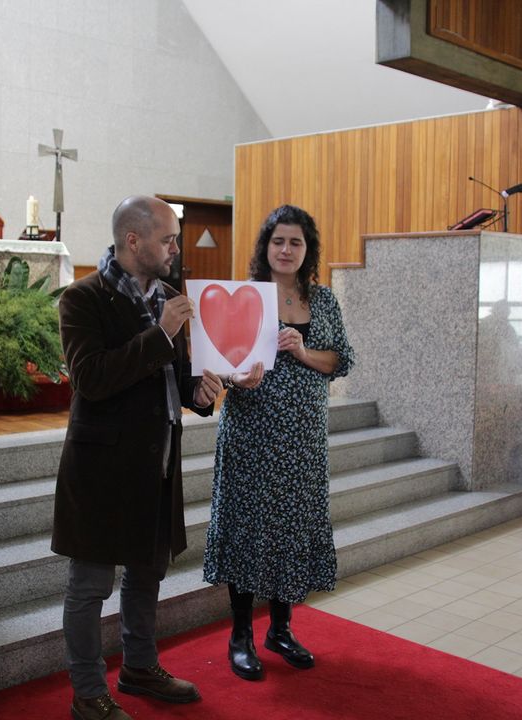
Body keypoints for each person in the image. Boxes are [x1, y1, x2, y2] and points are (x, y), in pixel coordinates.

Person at [51, 196, 223, 720]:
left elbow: (178, 378)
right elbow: (92, 379)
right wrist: (161, 332)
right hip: (102, 468)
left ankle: (140, 667)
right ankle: (87, 692)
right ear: (133, 240)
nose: (175, 249)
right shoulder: (82, 299)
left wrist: (202, 393)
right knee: (91, 586)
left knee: (148, 573)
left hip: (157, 462)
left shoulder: (168, 297)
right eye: (168, 239)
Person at [204, 204, 354, 681]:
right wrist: (235, 377)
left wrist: (303, 351)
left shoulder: (323, 300)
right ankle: (241, 636)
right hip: (251, 432)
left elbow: (341, 360)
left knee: (292, 526)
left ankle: (281, 629)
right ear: (265, 247)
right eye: (278, 241)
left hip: (302, 439)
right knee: (248, 526)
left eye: (296, 242)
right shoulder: (245, 296)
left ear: (308, 249)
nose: (286, 250)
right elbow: (218, 360)